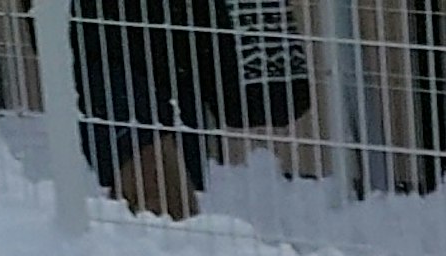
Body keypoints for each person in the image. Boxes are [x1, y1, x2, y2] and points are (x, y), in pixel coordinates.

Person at [67, 0, 310, 214]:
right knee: (144, 151)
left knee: (171, 146)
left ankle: (166, 240)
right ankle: (162, 235)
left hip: (174, 33)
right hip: (102, 34)